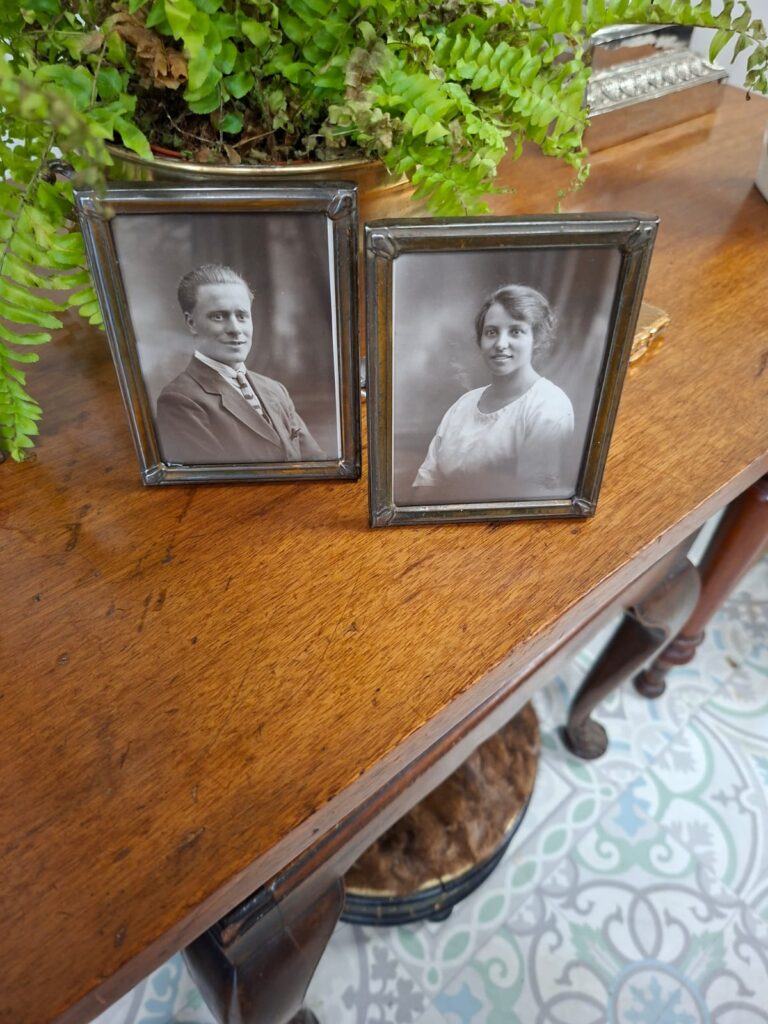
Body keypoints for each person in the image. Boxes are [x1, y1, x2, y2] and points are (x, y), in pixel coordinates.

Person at [412, 284, 574, 501]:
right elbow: (426, 480)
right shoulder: (465, 404)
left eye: (516, 331)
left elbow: (532, 498)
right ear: (481, 340)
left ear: (536, 339)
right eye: (491, 332)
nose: (500, 344)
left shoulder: (548, 406)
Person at [155, 264, 324, 465]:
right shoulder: (180, 401)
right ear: (191, 323)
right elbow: (218, 489)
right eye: (218, 316)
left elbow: (317, 463)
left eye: (242, 316)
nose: (235, 329)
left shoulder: (275, 390)